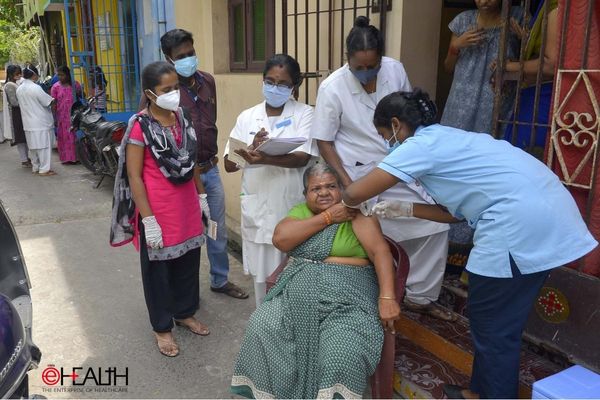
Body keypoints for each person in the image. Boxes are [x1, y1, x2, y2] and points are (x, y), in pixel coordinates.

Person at [342, 89, 598, 399]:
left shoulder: (419, 145)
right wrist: (404, 209)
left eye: (384, 134)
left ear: (396, 124)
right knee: (499, 324)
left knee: (493, 329)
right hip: (550, 219)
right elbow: (453, 215)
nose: (387, 142)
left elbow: (356, 193)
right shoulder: (450, 138)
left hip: (517, 224)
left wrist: (340, 204)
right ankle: (478, 391)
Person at [312, 16, 452, 320]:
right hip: (358, 168)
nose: (367, 74)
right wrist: (348, 184)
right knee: (372, 227)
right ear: (347, 60)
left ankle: (419, 294)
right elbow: (324, 141)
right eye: (359, 68)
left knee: (436, 225)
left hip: (398, 161)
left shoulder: (394, 69)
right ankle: (379, 290)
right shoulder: (332, 87)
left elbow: (405, 114)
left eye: (372, 66)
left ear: (381, 58)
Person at [231, 164, 400, 399]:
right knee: (262, 326)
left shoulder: (357, 214)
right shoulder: (301, 213)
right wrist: (329, 217)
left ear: (342, 190)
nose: (323, 193)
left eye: (331, 186)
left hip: (348, 297)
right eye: (316, 188)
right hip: (298, 292)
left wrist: (387, 297)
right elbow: (281, 239)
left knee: (343, 352)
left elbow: (381, 252)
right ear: (305, 195)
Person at [110, 61, 210, 357]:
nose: (174, 94)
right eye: (167, 90)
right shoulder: (140, 126)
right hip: (158, 210)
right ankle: (162, 327)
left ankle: (184, 312)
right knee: (159, 272)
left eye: (176, 87)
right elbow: (135, 175)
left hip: (187, 206)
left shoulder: (183, 117)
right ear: (150, 94)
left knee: (189, 263)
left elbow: (190, 162)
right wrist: (149, 220)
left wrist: (201, 196)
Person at [148, 28, 248, 299]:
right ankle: (181, 293)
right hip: (179, 178)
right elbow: (148, 127)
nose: (189, 59)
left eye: (191, 53)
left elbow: (209, 121)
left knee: (217, 229)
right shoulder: (164, 90)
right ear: (168, 59)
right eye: (181, 56)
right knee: (181, 234)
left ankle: (220, 279)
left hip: (209, 169)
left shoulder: (208, 81)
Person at [223, 54, 317, 307]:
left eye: (283, 84)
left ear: (295, 85)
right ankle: (265, 327)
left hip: (290, 207)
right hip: (258, 209)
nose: (275, 88)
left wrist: (262, 158)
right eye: (270, 81)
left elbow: (302, 158)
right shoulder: (247, 117)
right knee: (262, 281)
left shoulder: (305, 114)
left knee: (293, 276)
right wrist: (248, 150)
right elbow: (229, 164)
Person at [442, 0, 522, 134]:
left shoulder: (516, 17)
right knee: (455, 142)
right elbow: (448, 68)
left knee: (491, 144)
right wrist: (456, 45)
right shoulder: (463, 20)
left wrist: (524, 38)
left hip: (496, 99)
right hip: (462, 100)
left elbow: (532, 58)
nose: (484, 1)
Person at [503, 0, 558, 155]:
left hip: (544, 97)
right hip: (532, 94)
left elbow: (550, 64)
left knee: (523, 156)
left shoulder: (556, 4)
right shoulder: (543, 4)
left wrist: (507, 66)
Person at [16, 65, 56, 176]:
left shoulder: (19, 89)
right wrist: (55, 100)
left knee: (33, 147)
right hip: (40, 122)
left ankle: (36, 167)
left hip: (28, 123)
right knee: (44, 147)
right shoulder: (35, 88)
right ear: (34, 75)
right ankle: (44, 169)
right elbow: (47, 101)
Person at [51, 65, 82, 164]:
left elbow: (81, 96)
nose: (60, 77)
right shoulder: (55, 87)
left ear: (68, 75)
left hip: (74, 115)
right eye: (58, 75)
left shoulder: (75, 85)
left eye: (62, 75)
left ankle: (77, 158)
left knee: (74, 136)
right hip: (62, 117)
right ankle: (66, 158)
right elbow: (54, 103)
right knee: (64, 138)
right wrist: (54, 117)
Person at [2, 65, 30, 167]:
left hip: (19, 113)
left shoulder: (15, 84)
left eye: (20, 73)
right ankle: (24, 159)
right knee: (20, 138)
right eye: (17, 73)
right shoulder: (10, 85)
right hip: (16, 114)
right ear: (11, 74)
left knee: (23, 137)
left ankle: (26, 158)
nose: (19, 75)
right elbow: (14, 102)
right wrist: (27, 102)